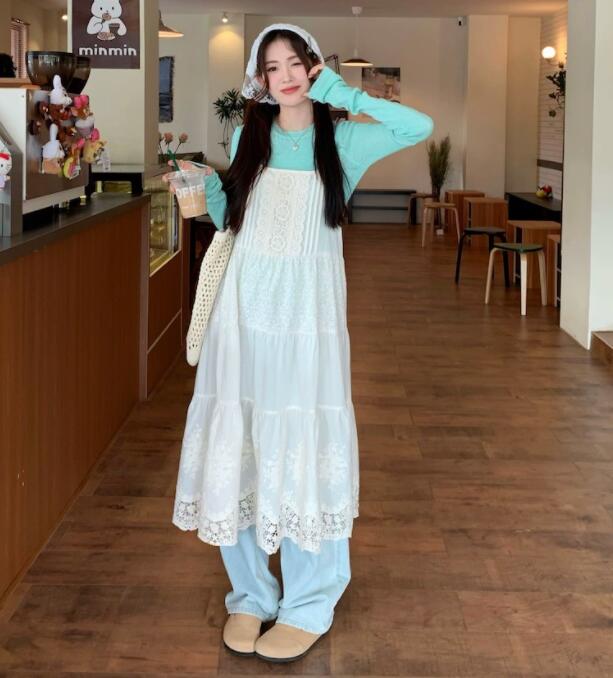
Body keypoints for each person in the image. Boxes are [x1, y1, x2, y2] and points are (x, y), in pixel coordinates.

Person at [168, 23, 433, 663]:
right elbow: (233, 217)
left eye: (296, 63)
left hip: (307, 322)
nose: (284, 76)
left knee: (304, 445)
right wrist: (201, 187)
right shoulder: (249, 137)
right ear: (259, 79)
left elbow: (417, 126)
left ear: (313, 67)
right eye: (272, 67)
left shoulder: (342, 139)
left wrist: (344, 93)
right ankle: (251, 593)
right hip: (243, 315)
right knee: (243, 444)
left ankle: (311, 599)